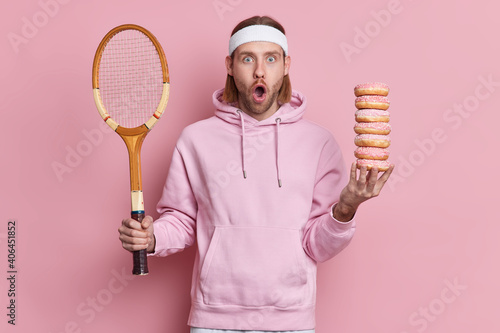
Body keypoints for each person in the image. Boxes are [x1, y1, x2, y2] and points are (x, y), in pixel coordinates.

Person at [118, 15, 394, 333]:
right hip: (213, 320)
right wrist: (152, 238)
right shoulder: (195, 140)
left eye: (271, 59)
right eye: (248, 58)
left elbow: (317, 245)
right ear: (230, 65)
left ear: (286, 65)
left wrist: (345, 208)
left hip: (291, 321)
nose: (260, 71)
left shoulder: (319, 143)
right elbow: (180, 221)